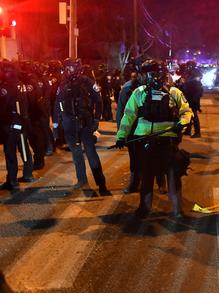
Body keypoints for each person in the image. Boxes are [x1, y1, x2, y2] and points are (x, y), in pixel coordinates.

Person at [115, 59, 193, 218]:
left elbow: (186, 112)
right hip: (152, 141)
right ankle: (163, 210)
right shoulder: (143, 92)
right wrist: (121, 136)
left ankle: (168, 209)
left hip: (161, 142)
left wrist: (181, 124)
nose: (154, 77)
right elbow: (129, 116)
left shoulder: (170, 92)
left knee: (160, 177)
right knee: (156, 177)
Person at [53, 58, 110, 195]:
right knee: (76, 154)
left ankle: (101, 184)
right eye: (66, 68)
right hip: (70, 126)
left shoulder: (87, 82)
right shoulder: (63, 84)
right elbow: (57, 104)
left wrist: (96, 119)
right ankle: (82, 180)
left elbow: (99, 101)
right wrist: (56, 125)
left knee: (91, 154)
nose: (67, 71)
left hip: (85, 124)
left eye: (69, 68)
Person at [0, 61, 34, 190]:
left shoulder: (9, 86)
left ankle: (14, 180)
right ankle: (25, 174)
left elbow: (7, 107)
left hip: (13, 124)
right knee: (22, 149)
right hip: (19, 123)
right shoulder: (19, 84)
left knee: (12, 152)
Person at [181, 60, 203, 138]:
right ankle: (188, 130)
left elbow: (197, 89)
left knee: (194, 115)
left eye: (189, 66)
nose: (188, 67)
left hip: (193, 97)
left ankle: (197, 132)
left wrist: (195, 100)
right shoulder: (188, 73)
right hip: (188, 96)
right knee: (189, 114)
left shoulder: (195, 73)